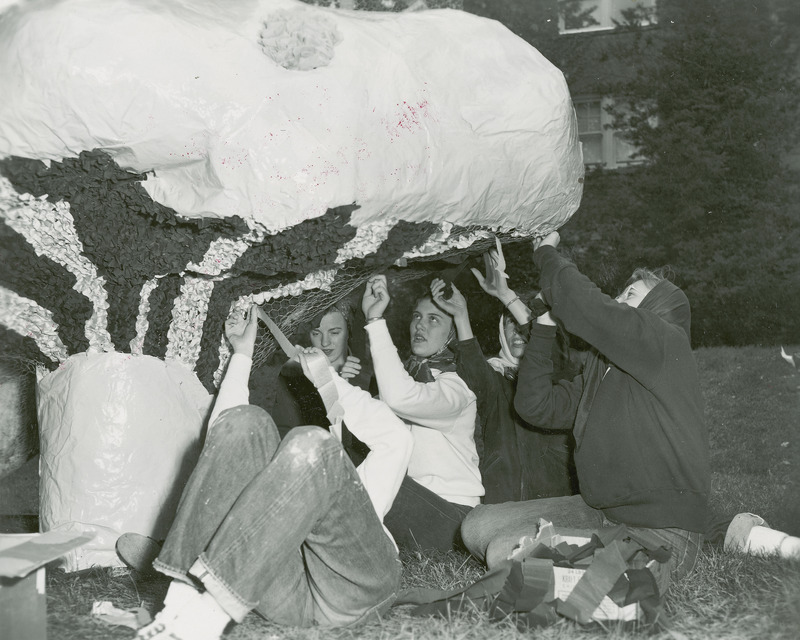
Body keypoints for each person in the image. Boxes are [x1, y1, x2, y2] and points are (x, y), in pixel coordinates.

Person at [130, 304, 413, 640]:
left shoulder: (335, 459)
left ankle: (203, 617)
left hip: (353, 589)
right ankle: (179, 606)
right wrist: (242, 354)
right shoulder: (281, 479)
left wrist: (327, 376)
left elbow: (395, 436)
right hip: (282, 590)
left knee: (312, 444)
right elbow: (223, 444)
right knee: (244, 422)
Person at [460, 231, 710, 597]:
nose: (616, 301)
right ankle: (600, 575)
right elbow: (536, 405)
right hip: (603, 514)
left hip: (662, 531)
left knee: (506, 552)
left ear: (659, 306)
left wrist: (545, 251)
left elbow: (586, 306)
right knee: (477, 526)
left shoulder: (664, 342)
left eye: (630, 296)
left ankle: (638, 578)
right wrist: (543, 326)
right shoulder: (601, 371)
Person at [429, 259, 579, 505]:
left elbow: (548, 344)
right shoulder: (496, 376)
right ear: (501, 329)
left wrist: (507, 296)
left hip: (556, 498)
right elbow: (475, 372)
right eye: (509, 322)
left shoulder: (558, 376)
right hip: (504, 499)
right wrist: (461, 315)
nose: (517, 332)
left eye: (522, 325)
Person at [362, 275, 483, 552]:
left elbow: (400, 397)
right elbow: (363, 420)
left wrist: (375, 322)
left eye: (433, 319)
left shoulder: (457, 387)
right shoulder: (410, 377)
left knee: (363, 481)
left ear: (451, 335)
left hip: (450, 516)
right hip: (417, 503)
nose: (420, 325)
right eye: (417, 316)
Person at [271, 299, 371, 464]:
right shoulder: (291, 382)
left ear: (349, 332)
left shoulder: (368, 379)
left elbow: (370, 451)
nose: (325, 343)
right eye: (316, 333)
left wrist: (342, 392)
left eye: (334, 332)